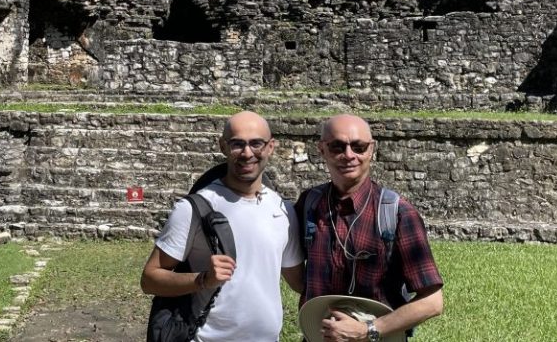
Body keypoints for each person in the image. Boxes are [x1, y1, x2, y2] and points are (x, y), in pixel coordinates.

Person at [141, 110, 305, 342]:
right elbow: (150, 279)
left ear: (270, 147)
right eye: (237, 144)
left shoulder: (283, 209)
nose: (247, 153)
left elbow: (299, 281)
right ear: (223, 146)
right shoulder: (196, 207)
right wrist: (203, 279)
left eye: (256, 143)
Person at [296, 114, 443, 342]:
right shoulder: (309, 204)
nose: (349, 155)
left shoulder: (398, 213)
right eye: (337, 146)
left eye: (359, 147)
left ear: (371, 150)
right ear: (321, 149)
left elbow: (432, 302)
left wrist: (368, 330)